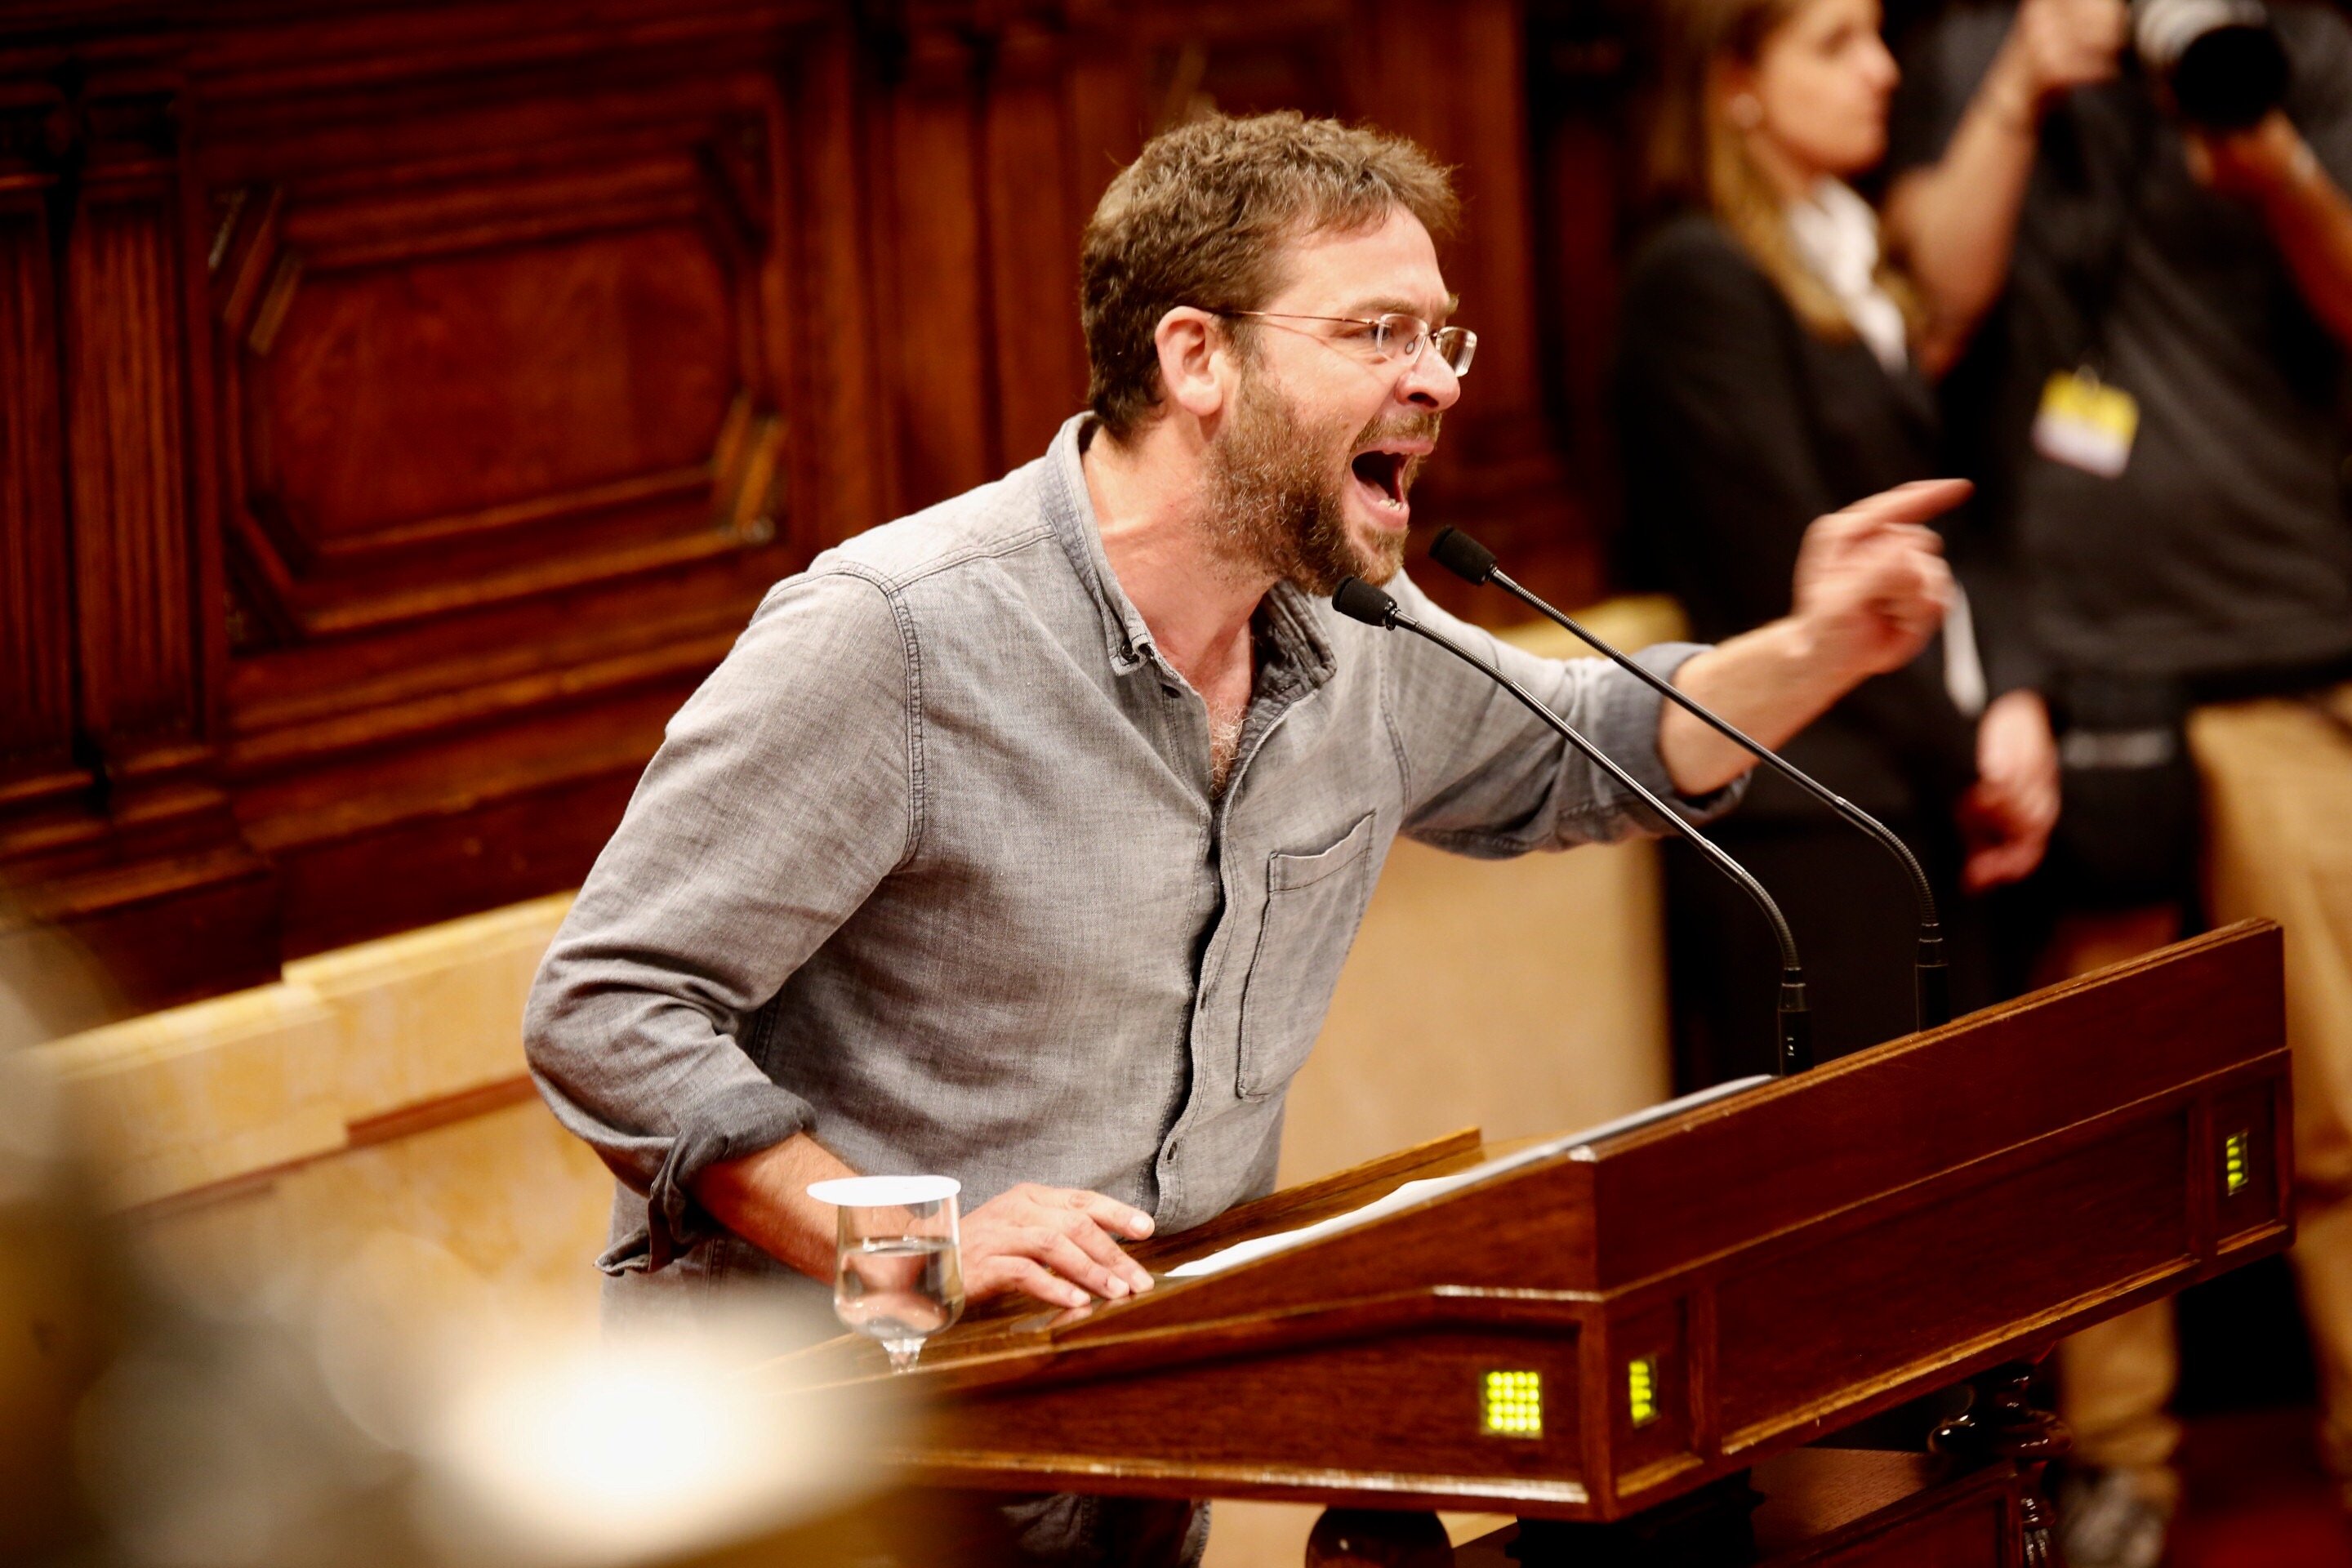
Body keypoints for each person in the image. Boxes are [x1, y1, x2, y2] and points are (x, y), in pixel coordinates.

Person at [524, 111, 1960, 1567]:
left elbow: (1604, 744)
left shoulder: (1360, 642)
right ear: (1196, 355)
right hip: (816, 1469)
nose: (1433, 382)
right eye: (1379, 331)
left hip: (1129, 1450)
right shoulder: (896, 637)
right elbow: (606, 1007)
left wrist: (1825, 647)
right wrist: (920, 1247)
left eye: (1445, 340)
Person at [1884, 1, 2352, 1560]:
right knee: (2110, 1123)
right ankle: (2121, 1471)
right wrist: (2024, 81)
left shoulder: (2318, 48)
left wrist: (2270, 156)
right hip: (2080, 665)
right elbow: (1929, 310)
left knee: (2343, 1106)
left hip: (2287, 648)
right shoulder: (1984, 47)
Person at [1615, 0, 2060, 1082]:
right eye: (1835, 43)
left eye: (1876, 35)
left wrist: (2012, 694)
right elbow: (1787, 571)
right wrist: (1973, 761)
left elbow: (1961, 512)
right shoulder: (1696, 277)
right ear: (1735, 82)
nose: (1883, 72)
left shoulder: (1850, 255)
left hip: (1922, 794)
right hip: (1814, 819)